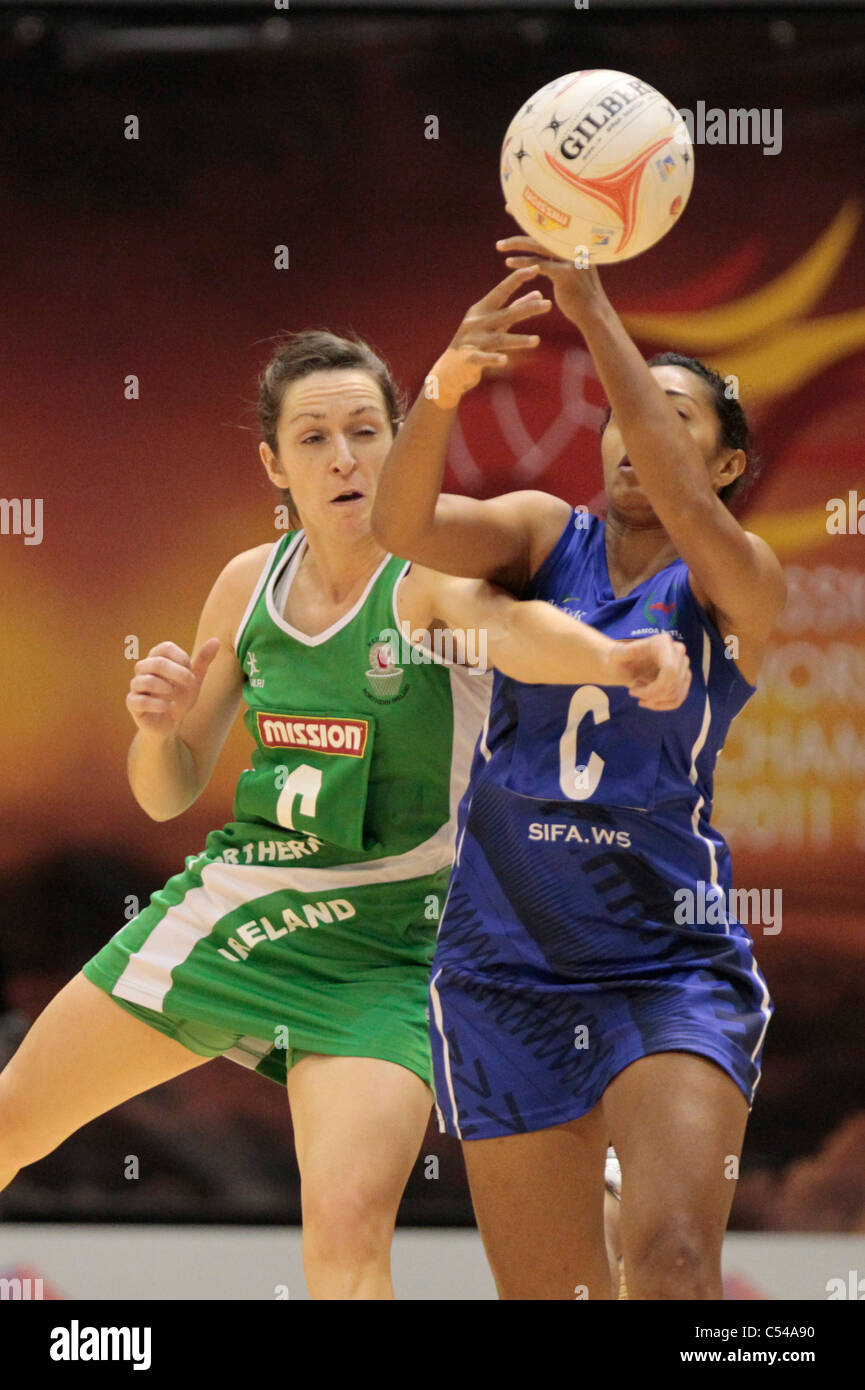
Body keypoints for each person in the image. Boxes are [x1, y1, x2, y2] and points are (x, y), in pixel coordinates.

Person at [0, 328, 689, 1300]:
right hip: (241, 908)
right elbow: (167, 786)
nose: (344, 457)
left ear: (401, 445)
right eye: (314, 436)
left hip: (390, 954)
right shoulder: (247, 586)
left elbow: (510, 629)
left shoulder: (423, 580)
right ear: (274, 463)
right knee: (10, 1123)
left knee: (344, 1228)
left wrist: (612, 658)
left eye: (367, 431)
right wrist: (157, 728)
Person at [371, 238, 787, 1301]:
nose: (631, 436)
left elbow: (692, 514)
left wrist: (596, 314)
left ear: (726, 463)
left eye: (670, 416)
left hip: (666, 957)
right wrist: (445, 387)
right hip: (503, 961)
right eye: (620, 414)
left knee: (676, 1263)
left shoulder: (737, 580)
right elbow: (399, 524)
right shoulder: (545, 532)